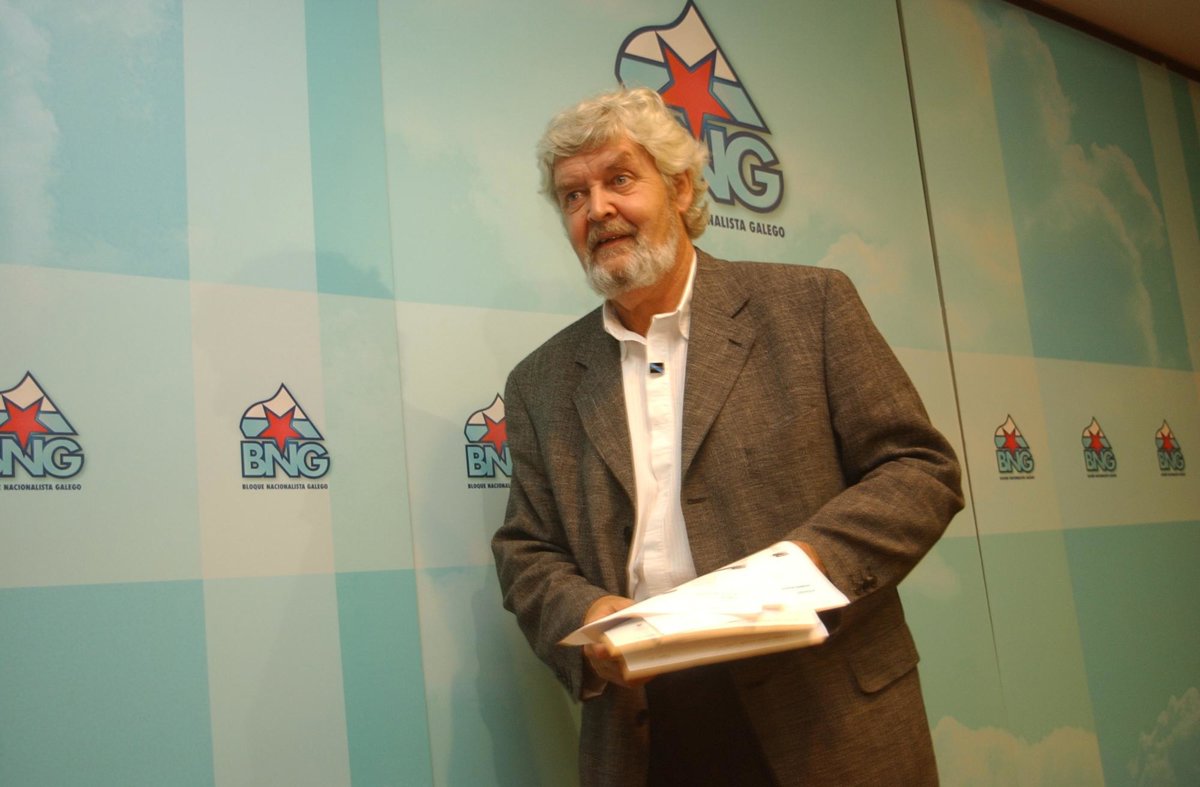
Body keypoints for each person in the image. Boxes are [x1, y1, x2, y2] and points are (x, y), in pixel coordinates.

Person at [491, 87, 963, 787]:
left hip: (823, 710)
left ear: (680, 188)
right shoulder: (540, 381)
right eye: (574, 196)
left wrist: (808, 566)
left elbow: (919, 468)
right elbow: (526, 548)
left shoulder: (810, 306)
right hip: (646, 728)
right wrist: (585, 614)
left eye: (620, 179)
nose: (598, 209)